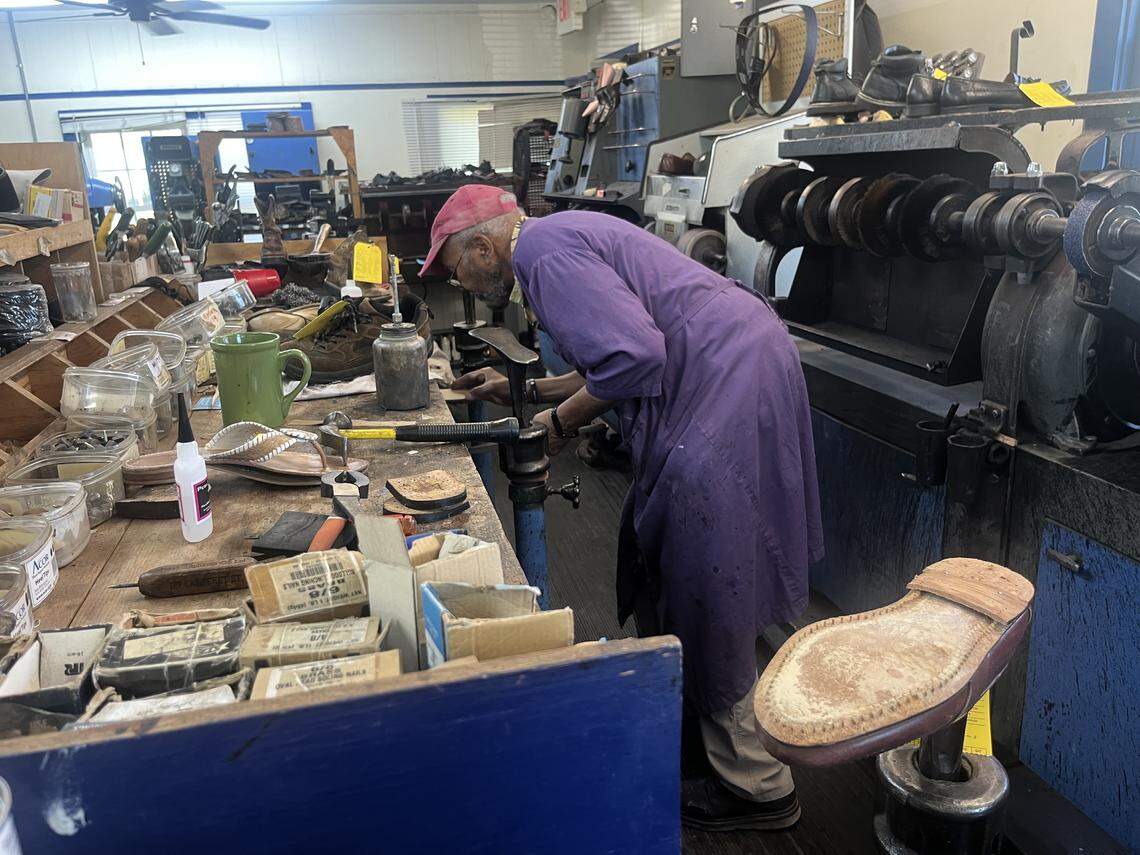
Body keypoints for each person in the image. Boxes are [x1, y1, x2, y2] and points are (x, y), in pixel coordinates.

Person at [420, 185, 823, 832]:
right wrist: (523, 388)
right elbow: (619, 351)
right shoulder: (552, 241)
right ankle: (701, 741)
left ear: (481, 246)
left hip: (722, 374)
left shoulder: (542, 255)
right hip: (724, 363)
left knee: (708, 571)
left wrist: (555, 424)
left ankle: (758, 784)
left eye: (451, 267)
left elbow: (635, 358)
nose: (456, 280)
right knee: (675, 553)